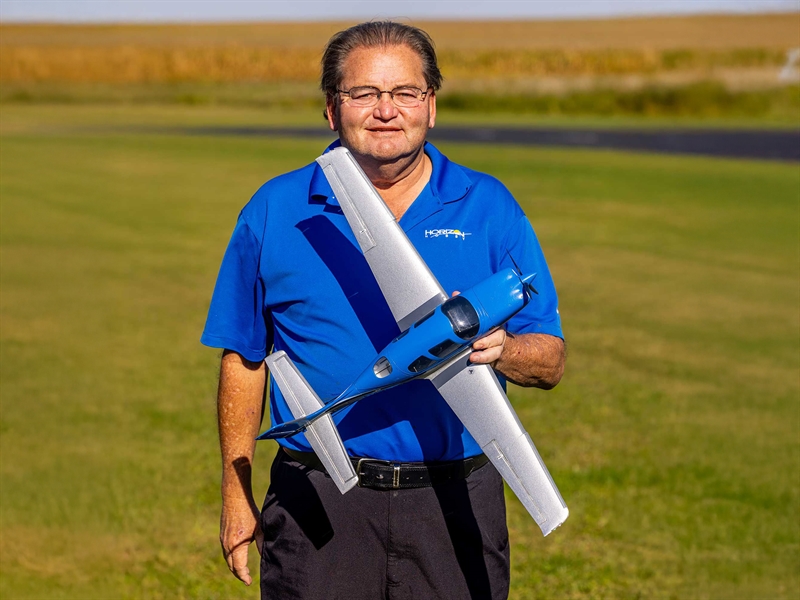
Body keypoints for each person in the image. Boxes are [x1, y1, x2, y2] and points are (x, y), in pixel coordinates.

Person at [201, 21, 565, 600]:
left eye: (405, 93)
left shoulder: (489, 206)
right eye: (364, 93)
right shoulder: (275, 208)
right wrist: (234, 491)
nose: (386, 111)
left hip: (453, 499)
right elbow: (244, 358)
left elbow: (550, 360)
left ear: (431, 106)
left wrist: (505, 350)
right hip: (318, 499)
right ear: (331, 109)